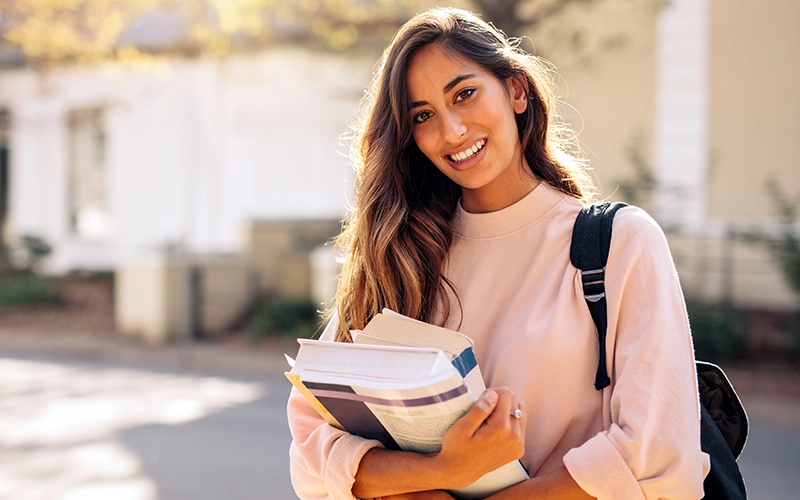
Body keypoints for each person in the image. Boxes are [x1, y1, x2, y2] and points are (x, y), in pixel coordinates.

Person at [287, 7, 710, 499]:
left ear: (516, 90)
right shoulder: (400, 256)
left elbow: (656, 457)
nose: (452, 131)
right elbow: (312, 456)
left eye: (464, 94)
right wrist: (444, 470)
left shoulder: (619, 243)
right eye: (423, 116)